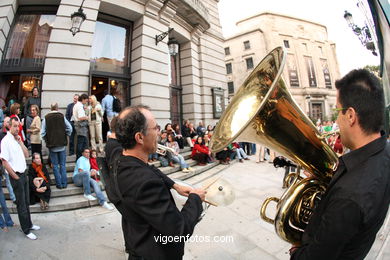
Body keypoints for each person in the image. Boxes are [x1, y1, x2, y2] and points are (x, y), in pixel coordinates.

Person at [290, 69, 390, 259]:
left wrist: (296, 249)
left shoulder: (348, 198)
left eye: (337, 111)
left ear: (351, 116)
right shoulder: (385, 149)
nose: (336, 120)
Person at [111, 105, 205, 259]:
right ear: (140, 137)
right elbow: (179, 231)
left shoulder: (120, 158)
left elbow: (149, 168)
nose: (159, 133)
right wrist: (195, 199)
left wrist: (174, 185)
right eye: (155, 128)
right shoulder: (145, 183)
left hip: (138, 241)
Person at [0, 117, 41, 240]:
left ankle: (29, 224)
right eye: (14, 126)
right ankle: (26, 229)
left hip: (24, 174)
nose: (17, 128)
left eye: (18, 126)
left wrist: (21, 142)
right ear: (9, 126)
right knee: (21, 204)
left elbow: (27, 154)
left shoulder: (17, 139)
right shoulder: (5, 141)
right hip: (16, 176)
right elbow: (4, 161)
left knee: (26, 202)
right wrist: (15, 176)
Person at [41, 103, 72, 189]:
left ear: (50, 108)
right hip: (62, 143)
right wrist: (66, 134)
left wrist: (46, 139)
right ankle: (64, 183)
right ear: (57, 108)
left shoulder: (46, 118)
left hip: (52, 145)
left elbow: (42, 132)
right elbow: (70, 128)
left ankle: (59, 184)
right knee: (62, 165)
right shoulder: (61, 116)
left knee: (55, 165)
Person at [73, 94, 89, 159]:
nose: (86, 102)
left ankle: (80, 158)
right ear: (83, 99)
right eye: (86, 101)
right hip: (81, 125)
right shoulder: (79, 106)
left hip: (79, 125)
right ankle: (79, 158)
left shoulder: (77, 105)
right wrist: (87, 117)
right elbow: (80, 117)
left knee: (81, 143)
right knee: (81, 144)